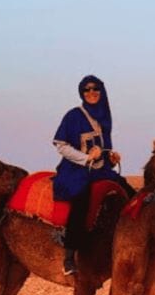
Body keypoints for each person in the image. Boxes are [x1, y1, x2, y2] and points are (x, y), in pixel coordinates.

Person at [52, 75, 135, 275]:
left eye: (95, 89)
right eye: (86, 90)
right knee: (81, 199)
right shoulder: (73, 116)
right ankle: (69, 257)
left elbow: (103, 148)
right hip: (76, 170)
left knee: (130, 195)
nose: (91, 93)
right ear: (81, 93)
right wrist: (85, 157)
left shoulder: (103, 118)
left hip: (100, 170)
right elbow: (60, 145)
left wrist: (110, 158)